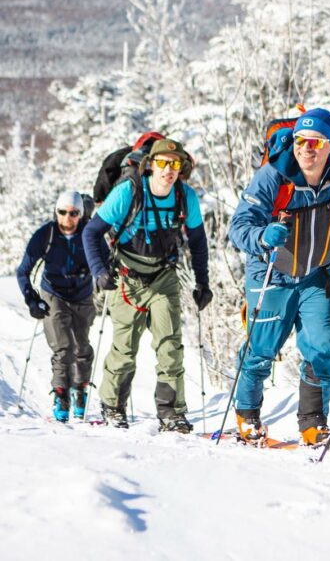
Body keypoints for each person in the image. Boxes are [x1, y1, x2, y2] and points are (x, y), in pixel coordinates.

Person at [229, 107, 330, 446]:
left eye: (317, 142)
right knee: (261, 350)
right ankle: (247, 416)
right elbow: (239, 227)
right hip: (270, 273)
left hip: (315, 274)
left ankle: (313, 424)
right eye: (302, 141)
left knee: (322, 348)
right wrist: (261, 237)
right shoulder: (274, 176)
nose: (307, 149)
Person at [83, 138, 211, 433]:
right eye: (163, 163)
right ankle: (113, 406)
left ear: (181, 168)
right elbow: (91, 233)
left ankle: (172, 412)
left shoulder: (185, 196)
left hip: (163, 277)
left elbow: (198, 242)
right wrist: (100, 271)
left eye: (175, 164)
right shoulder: (128, 192)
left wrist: (203, 282)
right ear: (150, 165)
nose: (169, 170)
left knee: (170, 346)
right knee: (125, 349)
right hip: (127, 277)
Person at [17, 190, 99, 422]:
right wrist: (32, 300)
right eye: (62, 212)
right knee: (64, 348)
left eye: (73, 213)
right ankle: (61, 395)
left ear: (80, 214)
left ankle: (79, 390)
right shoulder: (46, 234)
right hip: (54, 294)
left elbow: (104, 262)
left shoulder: (89, 234)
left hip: (82, 296)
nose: (67, 218)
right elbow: (23, 271)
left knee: (82, 347)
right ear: (56, 212)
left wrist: (105, 275)